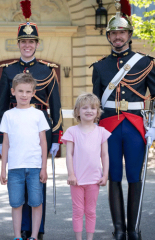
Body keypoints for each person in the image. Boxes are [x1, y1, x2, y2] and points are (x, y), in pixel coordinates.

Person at [90, 1, 155, 239]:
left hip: (135, 127)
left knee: (134, 177)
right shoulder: (100, 66)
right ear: (109, 37)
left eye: (122, 32)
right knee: (113, 177)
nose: (118, 37)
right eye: (113, 33)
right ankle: (119, 230)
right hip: (108, 129)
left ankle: (133, 230)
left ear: (129, 35)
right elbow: (94, 104)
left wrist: (154, 128)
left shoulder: (144, 63)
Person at [0, 1, 63, 239]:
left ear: (36, 44)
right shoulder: (8, 70)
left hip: (40, 126)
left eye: (31, 41)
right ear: (19, 44)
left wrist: (56, 137)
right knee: (18, 182)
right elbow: (2, 107)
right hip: (14, 127)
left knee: (36, 183)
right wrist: (0, 139)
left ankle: (37, 230)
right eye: (23, 42)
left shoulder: (48, 71)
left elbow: (55, 106)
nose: (27, 45)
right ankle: (22, 230)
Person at [0, 73, 49, 240]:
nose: (24, 95)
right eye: (20, 91)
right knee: (16, 204)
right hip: (15, 168)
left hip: (35, 167)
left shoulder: (38, 115)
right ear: (13, 91)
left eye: (28, 92)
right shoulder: (8, 115)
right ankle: (17, 236)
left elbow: (43, 142)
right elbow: (5, 143)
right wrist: (3, 169)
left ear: (33, 93)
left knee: (36, 202)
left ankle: (34, 236)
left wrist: (44, 167)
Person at [62, 93, 110, 240]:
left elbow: (105, 155)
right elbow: (69, 154)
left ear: (97, 112)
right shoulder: (72, 132)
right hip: (76, 180)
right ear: (77, 111)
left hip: (94, 179)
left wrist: (105, 175)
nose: (89, 111)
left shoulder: (101, 132)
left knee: (90, 211)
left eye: (93, 108)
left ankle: (89, 238)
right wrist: (71, 174)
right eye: (85, 108)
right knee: (77, 211)